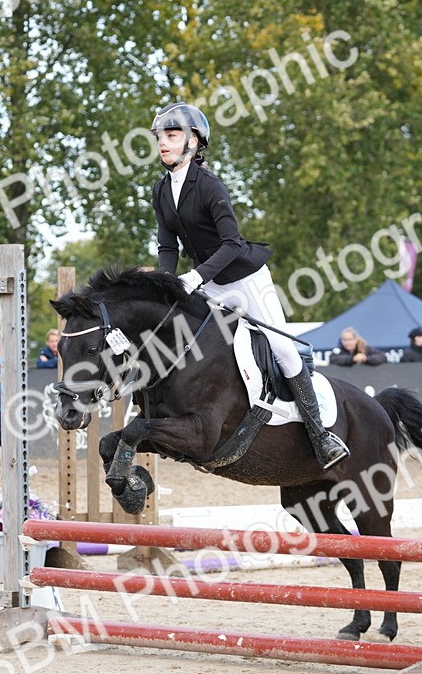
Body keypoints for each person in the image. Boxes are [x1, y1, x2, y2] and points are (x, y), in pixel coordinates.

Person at [149, 101, 348, 469]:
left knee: (283, 349)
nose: (163, 142)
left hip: (243, 279)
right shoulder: (162, 191)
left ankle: (320, 434)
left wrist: (194, 277)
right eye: (160, 136)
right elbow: (166, 247)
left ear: (193, 142)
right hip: (206, 283)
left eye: (171, 135)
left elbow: (232, 243)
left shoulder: (209, 185)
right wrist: (165, 285)